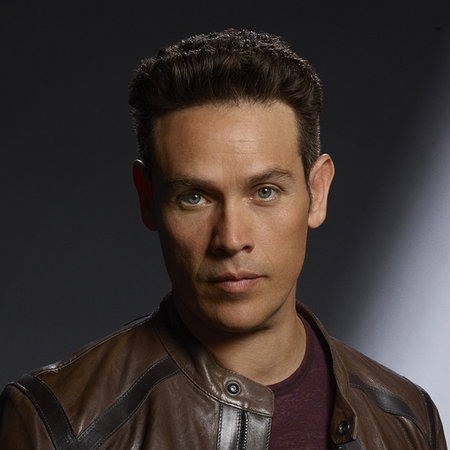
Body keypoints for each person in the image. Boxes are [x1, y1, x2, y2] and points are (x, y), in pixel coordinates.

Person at [0, 29, 446, 449]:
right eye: (194, 197)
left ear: (317, 192)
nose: (231, 239)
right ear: (148, 199)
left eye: (265, 192)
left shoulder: (407, 419)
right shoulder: (56, 424)